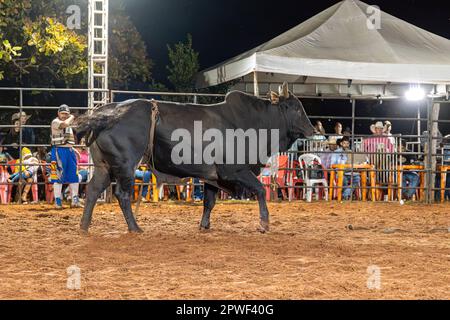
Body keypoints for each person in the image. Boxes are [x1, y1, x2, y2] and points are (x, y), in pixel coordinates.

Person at [50, 104, 82, 209]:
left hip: (69, 151)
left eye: (66, 114)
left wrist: (73, 149)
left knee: (74, 176)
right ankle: (58, 201)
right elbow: (63, 124)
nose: (65, 115)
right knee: (58, 177)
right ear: (58, 113)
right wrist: (72, 117)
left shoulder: (68, 125)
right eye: (63, 113)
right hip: (58, 152)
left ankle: (75, 200)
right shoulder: (55, 122)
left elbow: (66, 140)